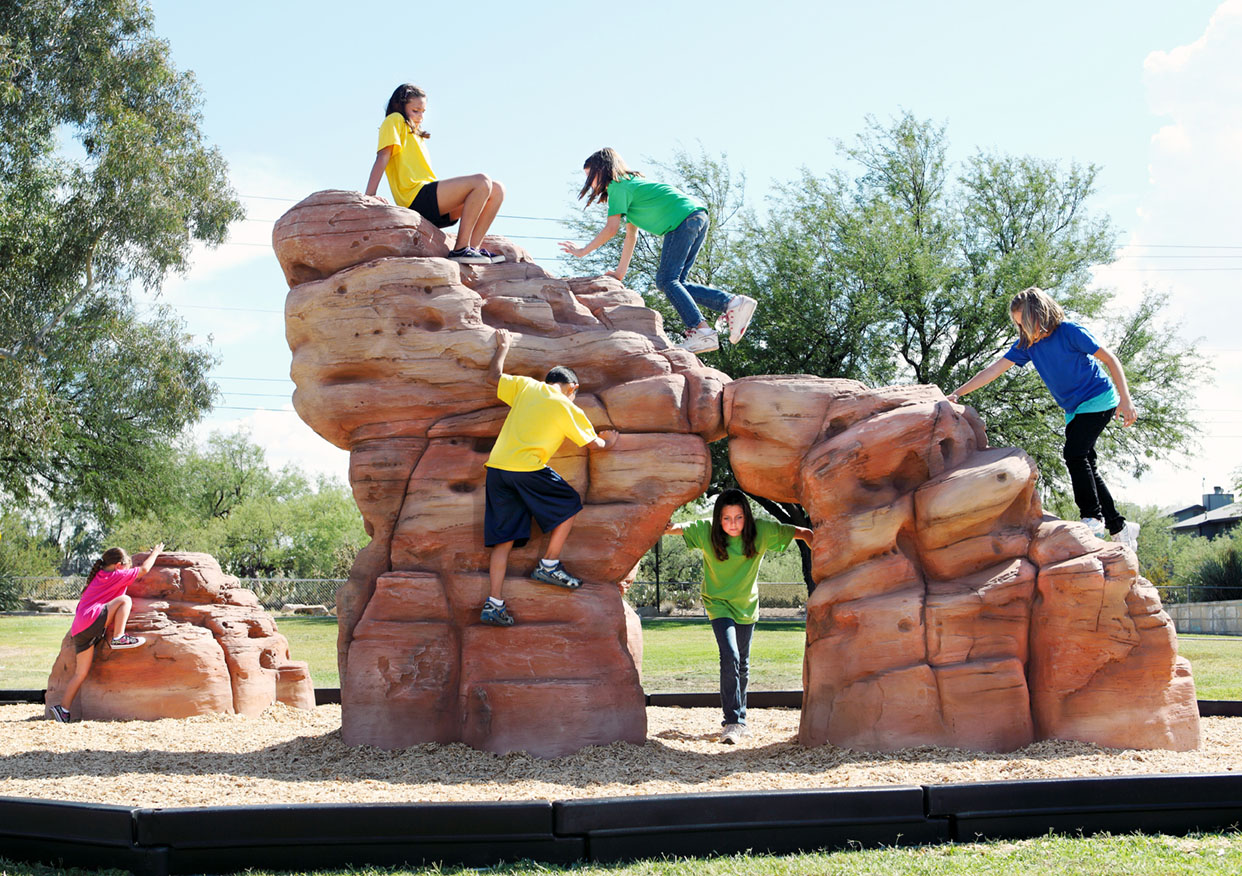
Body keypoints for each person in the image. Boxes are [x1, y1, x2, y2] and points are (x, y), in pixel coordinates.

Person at [947, 286, 1141, 551]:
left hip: (1099, 399)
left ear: (1040, 314)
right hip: (1074, 408)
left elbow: (1110, 359)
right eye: (1017, 325)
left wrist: (1125, 399)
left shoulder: (1069, 332)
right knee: (1086, 463)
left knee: (1074, 454)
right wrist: (956, 394)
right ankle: (1120, 527)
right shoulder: (1028, 344)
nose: (1022, 330)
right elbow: (994, 370)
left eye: (1024, 323)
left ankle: (1092, 518)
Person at [559, 147, 757, 355]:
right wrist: (619, 274)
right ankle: (732, 303)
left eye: (591, 176)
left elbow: (611, 229)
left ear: (602, 170)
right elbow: (631, 235)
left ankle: (702, 330)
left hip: (681, 220)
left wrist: (582, 251)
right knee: (676, 284)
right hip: (696, 216)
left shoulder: (617, 187)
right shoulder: (630, 186)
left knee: (665, 281)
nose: (590, 183)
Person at [480, 329, 618, 627]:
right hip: (526, 469)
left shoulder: (526, 386)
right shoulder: (566, 405)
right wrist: (610, 441)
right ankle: (549, 564)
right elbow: (594, 444)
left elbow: (493, 378)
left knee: (503, 542)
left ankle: (493, 603)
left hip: (497, 470)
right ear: (573, 387)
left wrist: (502, 347)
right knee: (569, 503)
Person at [664, 490, 812, 744]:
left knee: (742, 663)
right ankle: (732, 722)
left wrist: (824, 553)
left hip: (746, 606)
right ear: (718, 519)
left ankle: (741, 719)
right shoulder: (706, 530)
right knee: (730, 655)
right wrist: (665, 521)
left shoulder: (763, 531)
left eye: (739, 517)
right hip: (718, 604)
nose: (732, 524)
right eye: (726, 518)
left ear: (747, 518)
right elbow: (673, 528)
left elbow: (804, 533)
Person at [364, 83, 506, 265]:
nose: (421, 116)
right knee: (481, 181)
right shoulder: (394, 121)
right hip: (415, 197)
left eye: (423, 111)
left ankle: (473, 250)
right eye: (415, 110)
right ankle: (461, 249)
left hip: (433, 201)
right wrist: (370, 196)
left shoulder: (416, 133)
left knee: (497, 189)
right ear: (400, 106)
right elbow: (383, 157)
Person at [48, 543, 164, 723]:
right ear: (119, 565)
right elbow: (144, 570)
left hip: (80, 629)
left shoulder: (101, 575)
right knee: (125, 600)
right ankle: (119, 637)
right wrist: (156, 552)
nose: (129, 569)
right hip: (91, 620)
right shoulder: (116, 574)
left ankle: (63, 710)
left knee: (80, 673)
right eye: (127, 565)